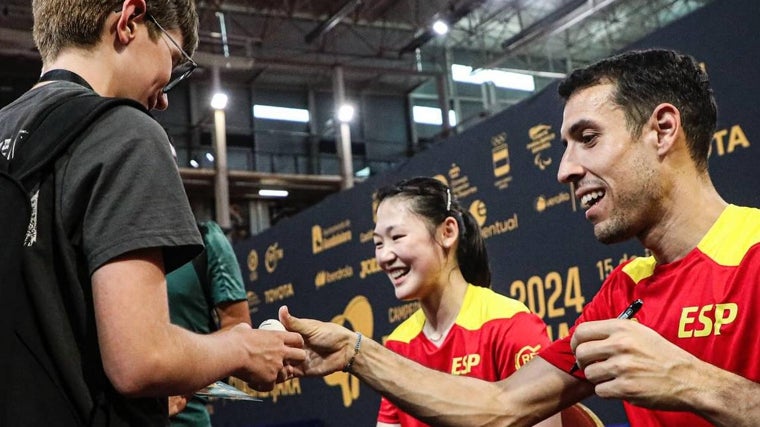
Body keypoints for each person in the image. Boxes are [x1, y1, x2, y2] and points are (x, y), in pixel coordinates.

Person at [278, 48, 760, 427]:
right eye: (565, 146)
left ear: (663, 130)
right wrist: (355, 353)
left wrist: (695, 383)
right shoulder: (624, 291)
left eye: (587, 138)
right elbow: (502, 405)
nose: (564, 170)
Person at [0, 0, 305, 425]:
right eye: (174, 61)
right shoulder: (124, 132)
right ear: (130, 21)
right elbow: (142, 359)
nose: (163, 99)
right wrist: (244, 348)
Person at [372, 177, 560, 427]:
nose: (384, 256)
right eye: (377, 243)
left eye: (396, 237)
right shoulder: (398, 345)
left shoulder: (509, 324)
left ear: (447, 232)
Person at [167, 220, 252, 426]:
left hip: (185, 418)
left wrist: (181, 379)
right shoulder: (103, 234)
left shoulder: (206, 237)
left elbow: (238, 328)